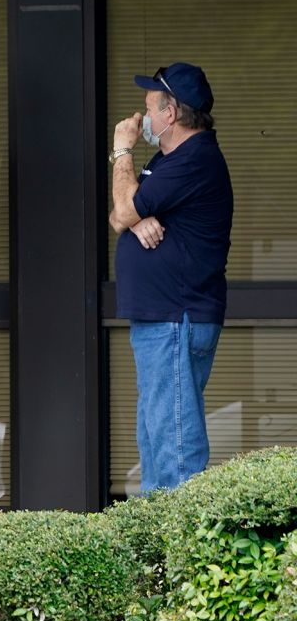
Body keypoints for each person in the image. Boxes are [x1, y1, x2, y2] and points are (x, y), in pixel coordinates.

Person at [108, 62, 232, 492]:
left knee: (175, 442)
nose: (140, 120)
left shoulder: (194, 159)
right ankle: (159, 549)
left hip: (176, 317)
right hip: (162, 319)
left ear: (171, 113)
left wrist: (122, 150)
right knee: (156, 434)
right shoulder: (169, 160)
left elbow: (124, 208)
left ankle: (182, 552)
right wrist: (137, 219)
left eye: (148, 107)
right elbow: (118, 216)